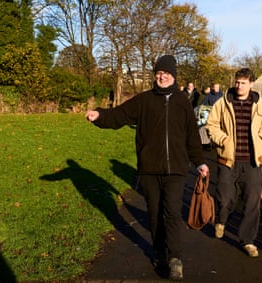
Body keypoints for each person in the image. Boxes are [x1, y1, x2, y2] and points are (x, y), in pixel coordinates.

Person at [85, 55, 209, 281]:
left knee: (171, 211)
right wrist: (100, 115)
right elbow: (119, 115)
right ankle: (159, 252)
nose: (162, 76)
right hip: (150, 168)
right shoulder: (144, 100)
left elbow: (192, 136)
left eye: (167, 73)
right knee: (154, 214)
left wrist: (200, 161)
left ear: (174, 76)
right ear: (155, 75)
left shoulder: (182, 101)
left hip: (177, 170)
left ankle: (175, 258)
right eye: (159, 73)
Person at [206, 68, 262, 258]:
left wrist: (261, 138)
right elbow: (211, 124)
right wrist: (223, 139)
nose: (239, 86)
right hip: (227, 160)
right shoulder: (223, 102)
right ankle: (221, 220)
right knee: (225, 198)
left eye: (243, 83)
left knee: (252, 202)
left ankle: (248, 240)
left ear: (251, 84)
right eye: (237, 82)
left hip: (252, 162)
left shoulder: (260, 104)